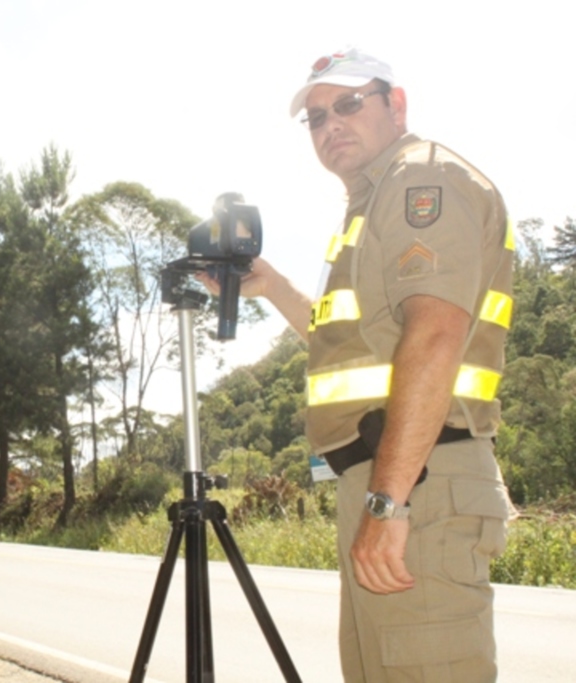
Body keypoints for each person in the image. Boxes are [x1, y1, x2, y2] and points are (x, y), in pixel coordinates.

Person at [204, 48, 516, 681]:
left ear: (394, 105)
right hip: (393, 478)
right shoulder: (371, 204)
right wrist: (276, 287)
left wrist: (387, 506)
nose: (330, 125)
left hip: (417, 481)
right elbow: (352, 345)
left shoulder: (421, 181)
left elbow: (434, 336)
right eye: (315, 118)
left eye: (348, 104)